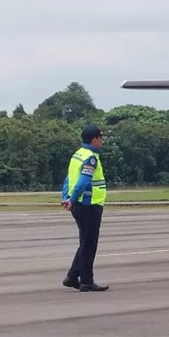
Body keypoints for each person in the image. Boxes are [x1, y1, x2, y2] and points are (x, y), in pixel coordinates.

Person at [61, 124, 109, 291]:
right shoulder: (90, 158)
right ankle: (86, 281)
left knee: (85, 242)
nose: (102, 141)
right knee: (89, 244)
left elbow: (68, 179)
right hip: (89, 205)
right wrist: (72, 198)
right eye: (101, 138)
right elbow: (83, 181)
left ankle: (73, 276)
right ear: (94, 139)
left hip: (79, 205)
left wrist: (66, 197)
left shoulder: (77, 155)